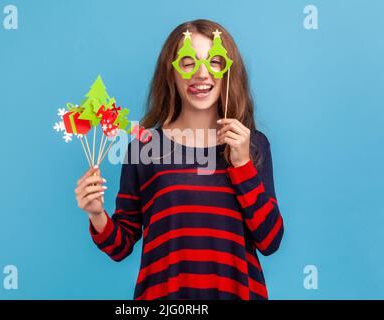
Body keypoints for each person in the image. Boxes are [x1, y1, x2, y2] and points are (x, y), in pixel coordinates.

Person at [74, 19, 284, 300]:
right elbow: (120, 247)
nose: (201, 73)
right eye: (187, 63)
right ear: (170, 73)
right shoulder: (143, 147)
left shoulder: (253, 145)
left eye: (214, 62)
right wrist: (96, 214)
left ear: (228, 71)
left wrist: (242, 164)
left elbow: (270, 240)